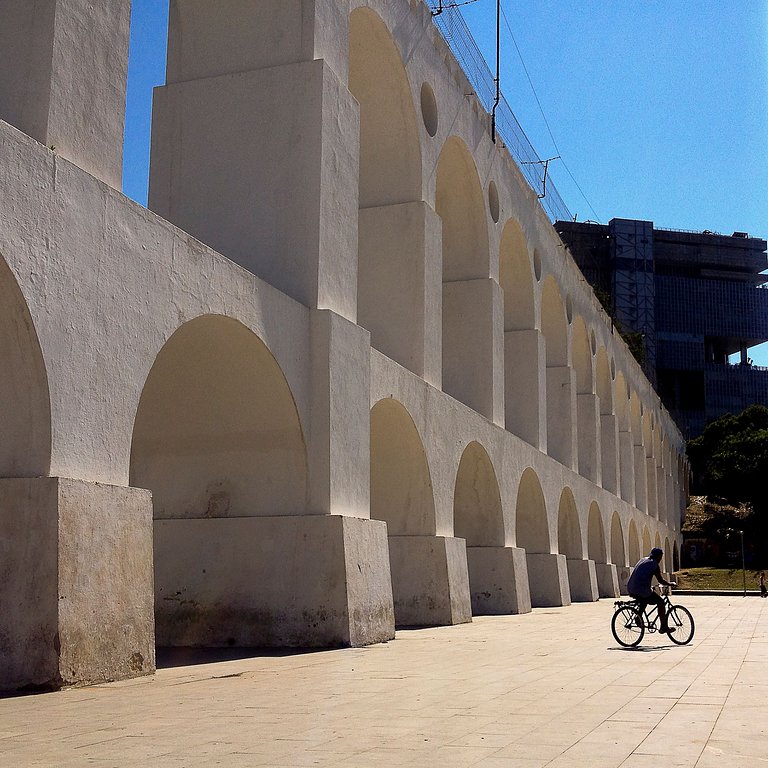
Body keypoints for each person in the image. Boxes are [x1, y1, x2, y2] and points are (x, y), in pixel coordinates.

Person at [627, 548, 677, 635]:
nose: (661, 559)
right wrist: (670, 584)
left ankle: (638, 618)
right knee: (660, 602)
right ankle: (663, 627)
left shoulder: (643, 559)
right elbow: (660, 580)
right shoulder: (654, 565)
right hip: (641, 589)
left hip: (631, 587)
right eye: (661, 556)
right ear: (659, 556)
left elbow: (641, 575)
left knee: (644, 600)